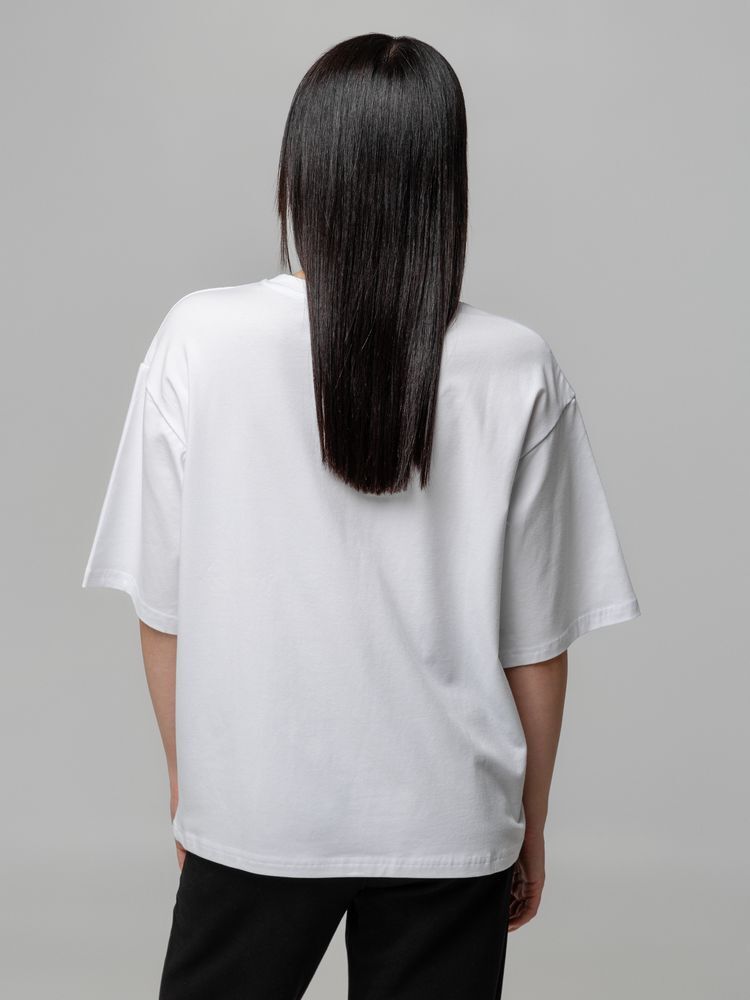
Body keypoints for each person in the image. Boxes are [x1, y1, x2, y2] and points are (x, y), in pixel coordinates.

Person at [81, 32, 641, 1000]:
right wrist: (528, 821)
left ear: (302, 167)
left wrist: (191, 785)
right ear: (444, 179)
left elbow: (163, 611)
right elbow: (536, 647)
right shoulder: (516, 364)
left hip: (255, 805)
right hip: (452, 814)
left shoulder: (198, 339)